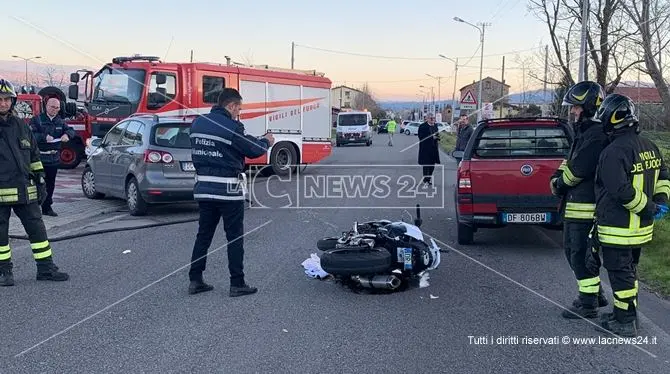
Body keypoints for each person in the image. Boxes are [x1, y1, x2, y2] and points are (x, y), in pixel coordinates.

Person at [590, 93, 669, 337]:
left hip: (618, 227)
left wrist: (649, 207)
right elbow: (664, 178)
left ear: (611, 119)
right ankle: (626, 312)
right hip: (641, 228)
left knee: (620, 272)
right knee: (629, 270)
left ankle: (624, 321)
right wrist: (659, 202)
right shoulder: (649, 146)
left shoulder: (614, 151)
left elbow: (620, 191)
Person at [187, 88, 275, 297]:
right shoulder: (231, 127)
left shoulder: (197, 123)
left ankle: (195, 280)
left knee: (203, 236)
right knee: (234, 238)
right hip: (228, 191)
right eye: (239, 109)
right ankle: (237, 283)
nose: (239, 113)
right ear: (231, 106)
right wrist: (266, 141)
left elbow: (225, 146)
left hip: (204, 190)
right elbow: (252, 149)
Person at [0, 79, 69, 286]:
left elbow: (33, 155)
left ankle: (46, 268)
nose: (3, 103)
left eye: (6, 99)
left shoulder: (21, 126)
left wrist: (40, 181)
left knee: (37, 229)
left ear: (13, 101)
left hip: (24, 189)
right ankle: (4, 272)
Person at [549, 80, 610, 319]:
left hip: (585, 207)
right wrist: (557, 175)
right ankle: (596, 295)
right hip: (575, 205)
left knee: (580, 254)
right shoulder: (584, 131)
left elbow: (578, 170)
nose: (572, 111)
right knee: (576, 253)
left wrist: (558, 183)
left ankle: (588, 305)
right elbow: (570, 162)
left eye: (575, 107)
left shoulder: (595, 135)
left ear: (587, 106)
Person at [30, 97, 77, 217]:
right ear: (46, 106)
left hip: (53, 159)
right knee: (37, 183)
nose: (54, 110)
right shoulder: (37, 120)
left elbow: (71, 130)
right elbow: (31, 135)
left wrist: (67, 135)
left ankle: (47, 207)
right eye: (52, 107)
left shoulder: (60, 121)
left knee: (50, 184)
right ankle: (34, 207)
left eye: (57, 108)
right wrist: (44, 137)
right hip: (39, 158)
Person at [417, 114, 440, 185]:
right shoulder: (422, 126)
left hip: (434, 149)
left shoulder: (435, 126)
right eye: (431, 118)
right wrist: (431, 138)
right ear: (427, 119)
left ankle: (429, 179)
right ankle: (425, 180)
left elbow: (437, 134)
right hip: (425, 149)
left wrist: (437, 138)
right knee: (426, 165)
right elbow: (421, 137)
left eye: (433, 118)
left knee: (432, 166)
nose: (432, 119)